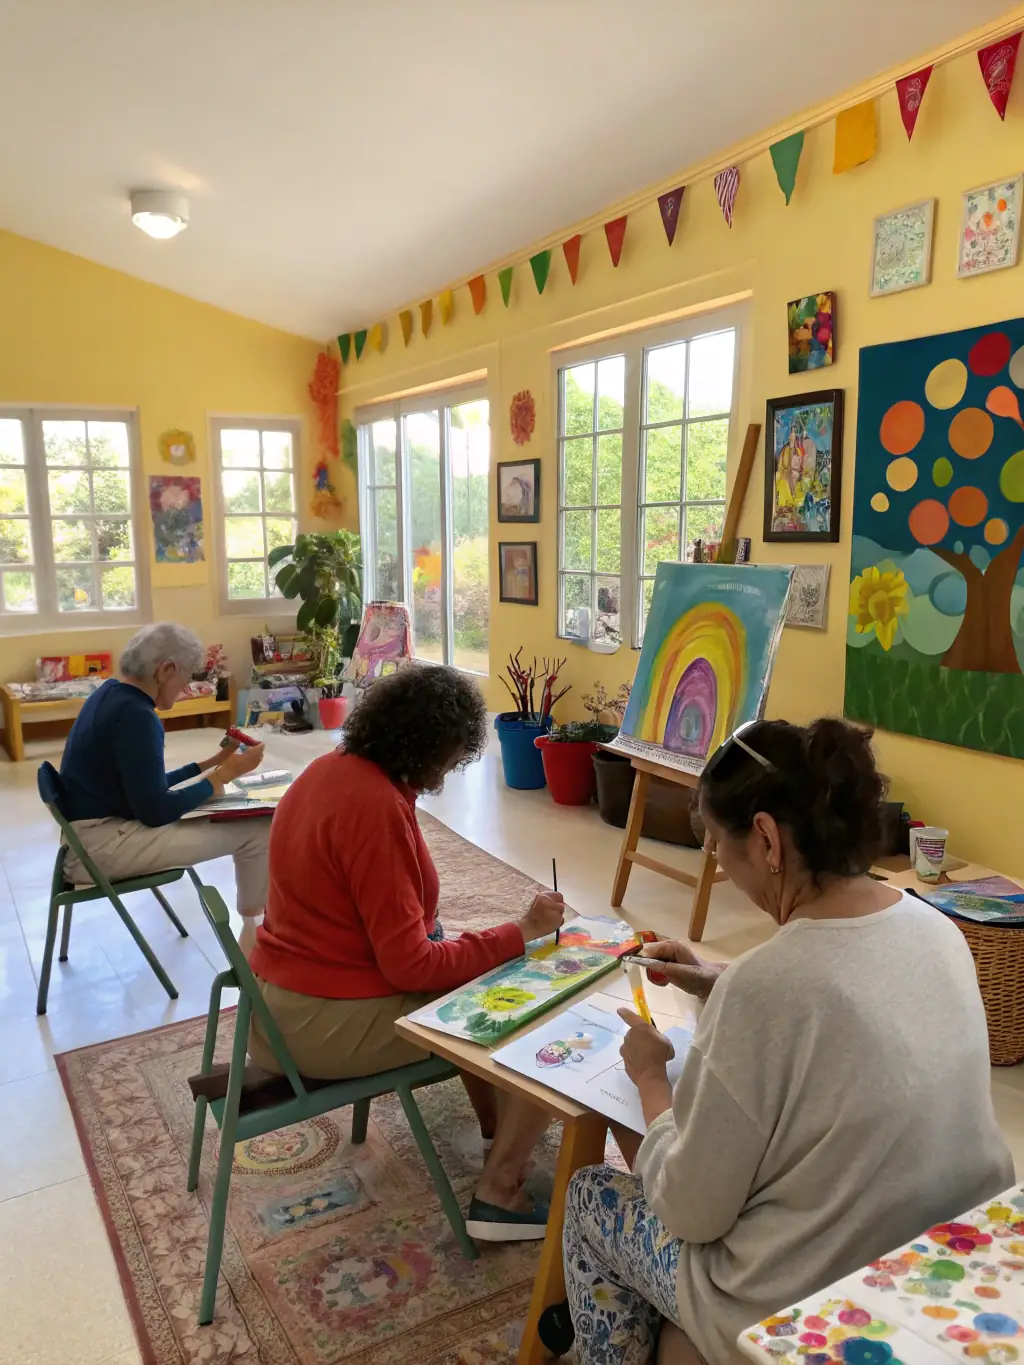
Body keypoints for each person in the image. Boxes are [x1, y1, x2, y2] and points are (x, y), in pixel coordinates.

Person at [558, 717, 1012, 1365]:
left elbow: (691, 1212)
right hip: (936, 1250)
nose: (718, 862)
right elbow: (846, 1026)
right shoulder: (933, 925)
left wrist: (651, 1081)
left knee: (590, 1199)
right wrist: (717, 981)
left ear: (767, 839)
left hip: (810, 1297)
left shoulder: (767, 987)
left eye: (716, 843)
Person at [248, 663, 565, 1242]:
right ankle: (502, 1190)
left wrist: (480, 940)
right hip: (317, 1025)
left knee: (478, 956)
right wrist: (520, 931)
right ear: (430, 749)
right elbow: (411, 966)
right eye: (450, 759)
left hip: (283, 1004)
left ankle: (498, 1131)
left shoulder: (330, 771)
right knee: (531, 1002)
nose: (447, 774)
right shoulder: (373, 805)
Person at [60, 623, 270, 944]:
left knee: (229, 813)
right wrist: (223, 777)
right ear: (166, 669)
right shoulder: (138, 716)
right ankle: (256, 935)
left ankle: (254, 927)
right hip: (101, 850)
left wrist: (212, 764)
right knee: (260, 827)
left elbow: (143, 785)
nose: (185, 689)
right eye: (185, 678)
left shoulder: (110, 693)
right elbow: (155, 810)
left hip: (84, 841)